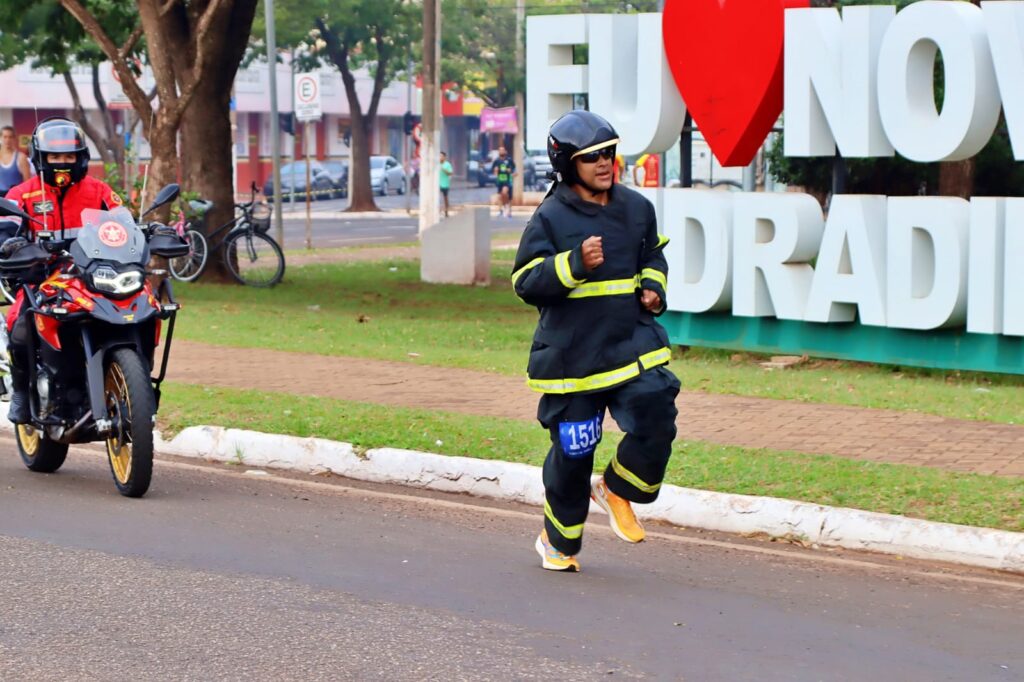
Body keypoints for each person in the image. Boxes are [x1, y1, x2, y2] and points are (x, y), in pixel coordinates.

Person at [511, 110, 679, 572]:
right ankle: (559, 541)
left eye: (608, 153)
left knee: (657, 408)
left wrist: (653, 286)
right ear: (566, 164)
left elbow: (653, 256)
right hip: (572, 361)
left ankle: (618, 488)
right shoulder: (549, 216)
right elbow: (525, 280)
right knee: (574, 453)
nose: (605, 163)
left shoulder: (636, 208)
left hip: (630, 344)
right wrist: (572, 265)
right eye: (592, 158)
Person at [2, 117, 123, 424]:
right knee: (21, 324)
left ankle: (122, 378)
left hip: (93, 276)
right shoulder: (22, 194)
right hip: (41, 279)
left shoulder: (99, 191)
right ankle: (20, 392)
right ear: (42, 158)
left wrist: (150, 233)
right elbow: (5, 231)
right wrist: (11, 246)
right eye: (55, 157)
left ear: (80, 157)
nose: (62, 163)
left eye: (68, 156)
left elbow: (124, 224)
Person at [0, 126, 31, 196]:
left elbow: (28, 182)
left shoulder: (21, 157)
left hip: (15, 198)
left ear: (14, 139)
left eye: (10, 137)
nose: (7, 140)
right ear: (1, 138)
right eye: (5, 137)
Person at [491, 146, 515, 218]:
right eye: (500, 150)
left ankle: (507, 206)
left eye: (502, 150)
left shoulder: (509, 160)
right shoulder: (496, 161)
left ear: (505, 151)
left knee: (505, 192)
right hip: (500, 180)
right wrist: (496, 170)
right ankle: (501, 209)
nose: (501, 152)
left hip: (507, 180)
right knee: (500, 196)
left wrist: (510, 171)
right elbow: (494, 172)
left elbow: (513, 170)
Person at [439, 151, 453, 217]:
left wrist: (444, 169)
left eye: (441, 156)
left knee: (445, 198)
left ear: (444, 157)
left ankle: (446, 211)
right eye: (439, 156)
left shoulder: (447, 164)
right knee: (437, 197)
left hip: (445, 183)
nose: (440, 157)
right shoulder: (437, 164)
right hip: (438, 184)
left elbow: (450, 173)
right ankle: (438, 210)